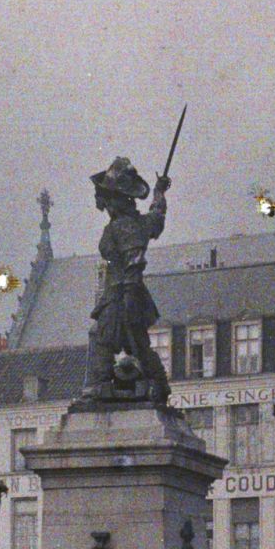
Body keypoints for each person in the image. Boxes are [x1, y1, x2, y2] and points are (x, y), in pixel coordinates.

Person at [84, 156, 172, 406]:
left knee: (106, 339)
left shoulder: (123, 226)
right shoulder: (138, 223)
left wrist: (129, 298)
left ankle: (98, 385)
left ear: (116, 200)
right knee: (138, 344)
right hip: (126, 291)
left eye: (107, 198)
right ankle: (159, 384)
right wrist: (159, 193)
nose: (104, 204)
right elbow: (157, 216)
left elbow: (135, 259)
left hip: (122, 292)